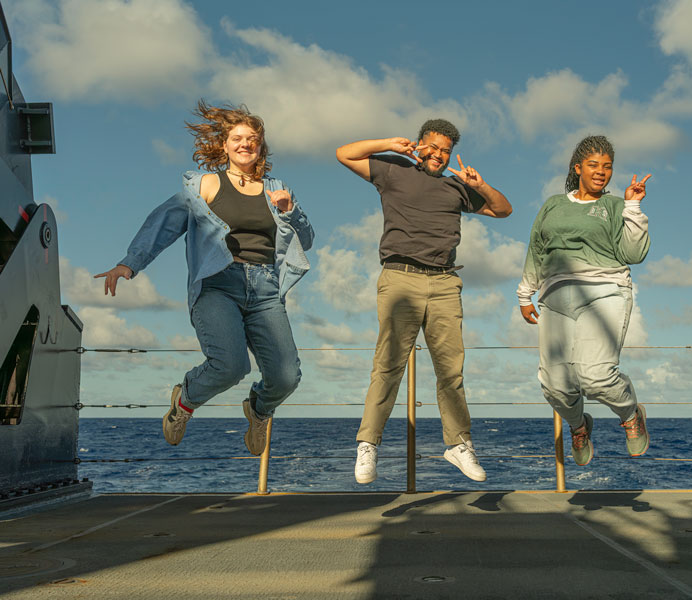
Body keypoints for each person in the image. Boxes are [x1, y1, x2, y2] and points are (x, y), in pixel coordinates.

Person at [95, 101, 314, 455]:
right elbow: (163, 223)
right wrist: (129, 263)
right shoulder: (204, 186)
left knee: (287, 376)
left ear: (261, 146)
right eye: (238, 138)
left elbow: (305, 240)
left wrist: (291, 212)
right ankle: (184, 401)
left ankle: (259, 409)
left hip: (266, 289)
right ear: (224, 145)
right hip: (217, 285)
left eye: (253, 139)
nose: (246, 144)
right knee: (230, 366)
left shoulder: (277, 189)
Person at [336, 119, 512, 484]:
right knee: (388, 365)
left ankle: (458, 444)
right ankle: (368, 444)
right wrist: (388, 143)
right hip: (400, 277)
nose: (439, 154)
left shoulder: (456, 186)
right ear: (418, 145)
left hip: (445, 282)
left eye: (445, 150)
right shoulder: (392, 170)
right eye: (432, 147)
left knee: (451, 370)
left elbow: (502, 209)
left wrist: (479, 185)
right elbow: (344, 154)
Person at [516, 135, 651, 466]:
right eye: (593, 165)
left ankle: (631, 415)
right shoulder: (552, 204)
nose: (601, 171)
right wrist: (524, 292)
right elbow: (536, 247)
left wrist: (633, 205)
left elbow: (634, 253)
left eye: (607, 167)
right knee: (554, 384)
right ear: (577, 168)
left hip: (605, 290)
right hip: (555, 296)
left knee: (596, 376)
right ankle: (579, 426)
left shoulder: (615, 205)